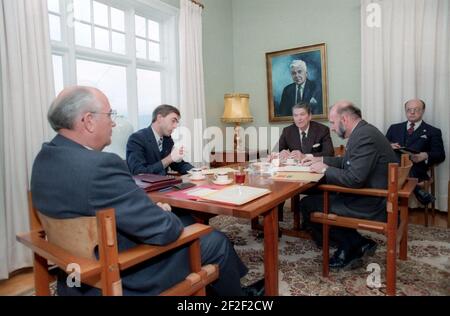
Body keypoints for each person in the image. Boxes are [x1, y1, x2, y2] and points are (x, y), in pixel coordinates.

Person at [30, 86, 263, 296]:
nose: (113, 122)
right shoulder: (102, 165)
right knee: (214, 239)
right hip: (118, 274)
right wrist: (163, 214)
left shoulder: (44, 158)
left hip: (73, 274)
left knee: (184, 219)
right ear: (88, 121)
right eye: (110, 114)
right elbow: (164, 230)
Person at [299, 101, 398, 269]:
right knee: (316, 197)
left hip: (372, 202)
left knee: (307, 204)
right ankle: (357, 242)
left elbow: (354, 179)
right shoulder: (364, 131)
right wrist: (321, 159)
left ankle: (350, 245)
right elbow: (347, 162)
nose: (331, 127)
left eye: (332, 122)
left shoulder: (363, 136)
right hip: (375, 194)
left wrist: (326, 169)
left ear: (344, 119)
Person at [385, 99, 445, 205]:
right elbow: (382, 148)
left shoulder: (433, 131)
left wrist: (425, 155)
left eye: (416, 109)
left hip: (417, 169)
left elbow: (440, 154)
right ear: (405, 111)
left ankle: (392, 209)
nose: (412, 112)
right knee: (396, 158)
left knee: (401, 168)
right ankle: (418, 191)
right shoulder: (394, 128)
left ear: (423, 111)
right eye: (409, 109)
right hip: (394, 168)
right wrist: (389, 146)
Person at [126, 104, 193, 176]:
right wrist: (169, 159)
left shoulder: (168, 140)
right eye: (173, 121)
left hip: (164, 185)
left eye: (177, 122)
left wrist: (196, 171)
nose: (175, 126)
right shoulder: (136, 139)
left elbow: (178, 164)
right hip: (144, 187)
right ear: (159, 118)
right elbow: (139, 172)